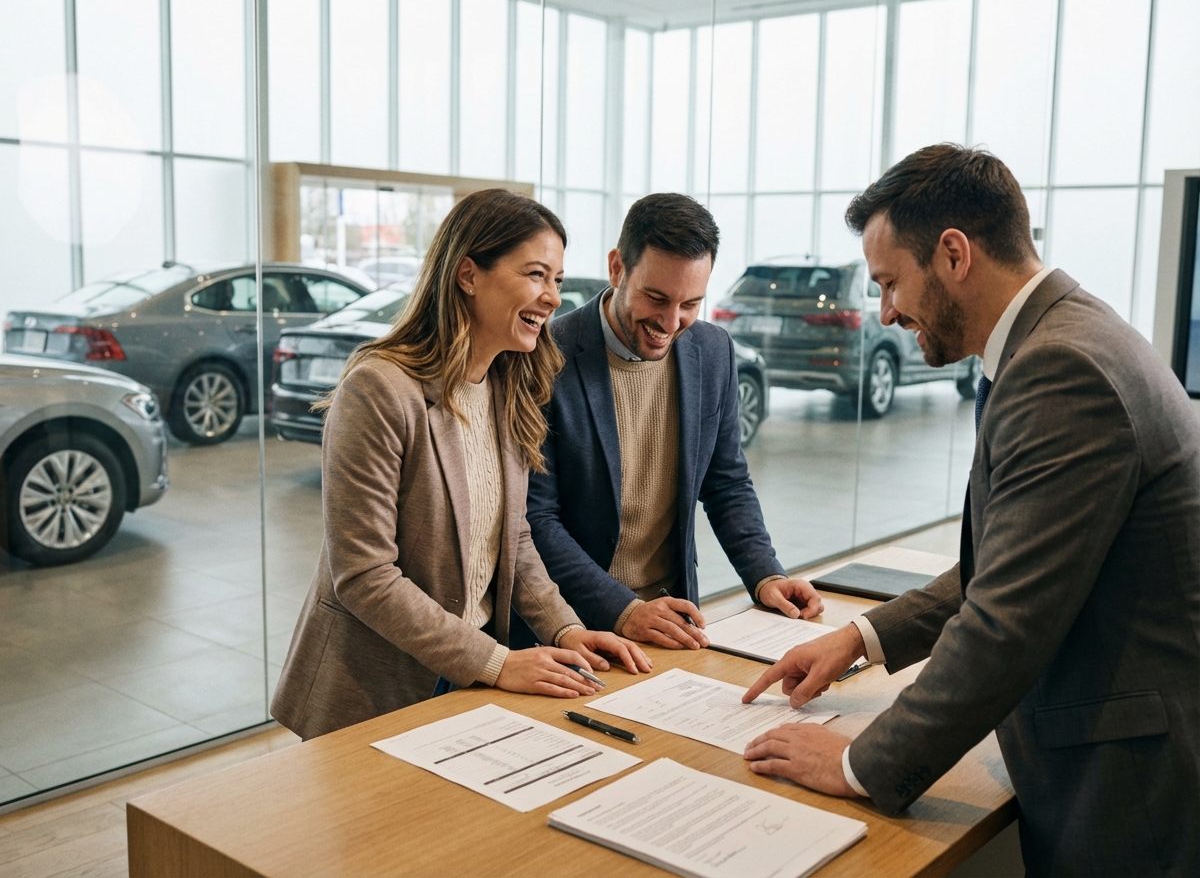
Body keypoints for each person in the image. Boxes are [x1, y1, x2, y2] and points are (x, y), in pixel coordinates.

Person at [741, 145, 1200, 876]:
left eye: (891, 282)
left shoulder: (1061, 369)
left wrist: (861, 763)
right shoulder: (1071, 335)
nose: (887, 311)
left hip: (1130, 789)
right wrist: (861, 637)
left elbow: (1005, 622)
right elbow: (1017, 557)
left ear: (954, 254)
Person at [271, 189, 651, 741]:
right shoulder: (379, 389)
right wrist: (498, 662)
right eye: (536, 275)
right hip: (372, 691)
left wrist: (566, 628)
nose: (552, 299)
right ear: (468, 274)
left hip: (467, 679)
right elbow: (364, 576)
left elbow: (514, 537)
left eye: (559, 281)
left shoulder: (506, 384)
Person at [523, 193, 823, 652]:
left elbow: (726, 483)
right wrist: (623, 609)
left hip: (674, 619)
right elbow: (536, 519)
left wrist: (765, 574)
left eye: (690, 303)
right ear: (617, 268)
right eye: (656, 298)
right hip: (575, 626)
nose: (670, 321)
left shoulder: (713, 351)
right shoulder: (545, 355)